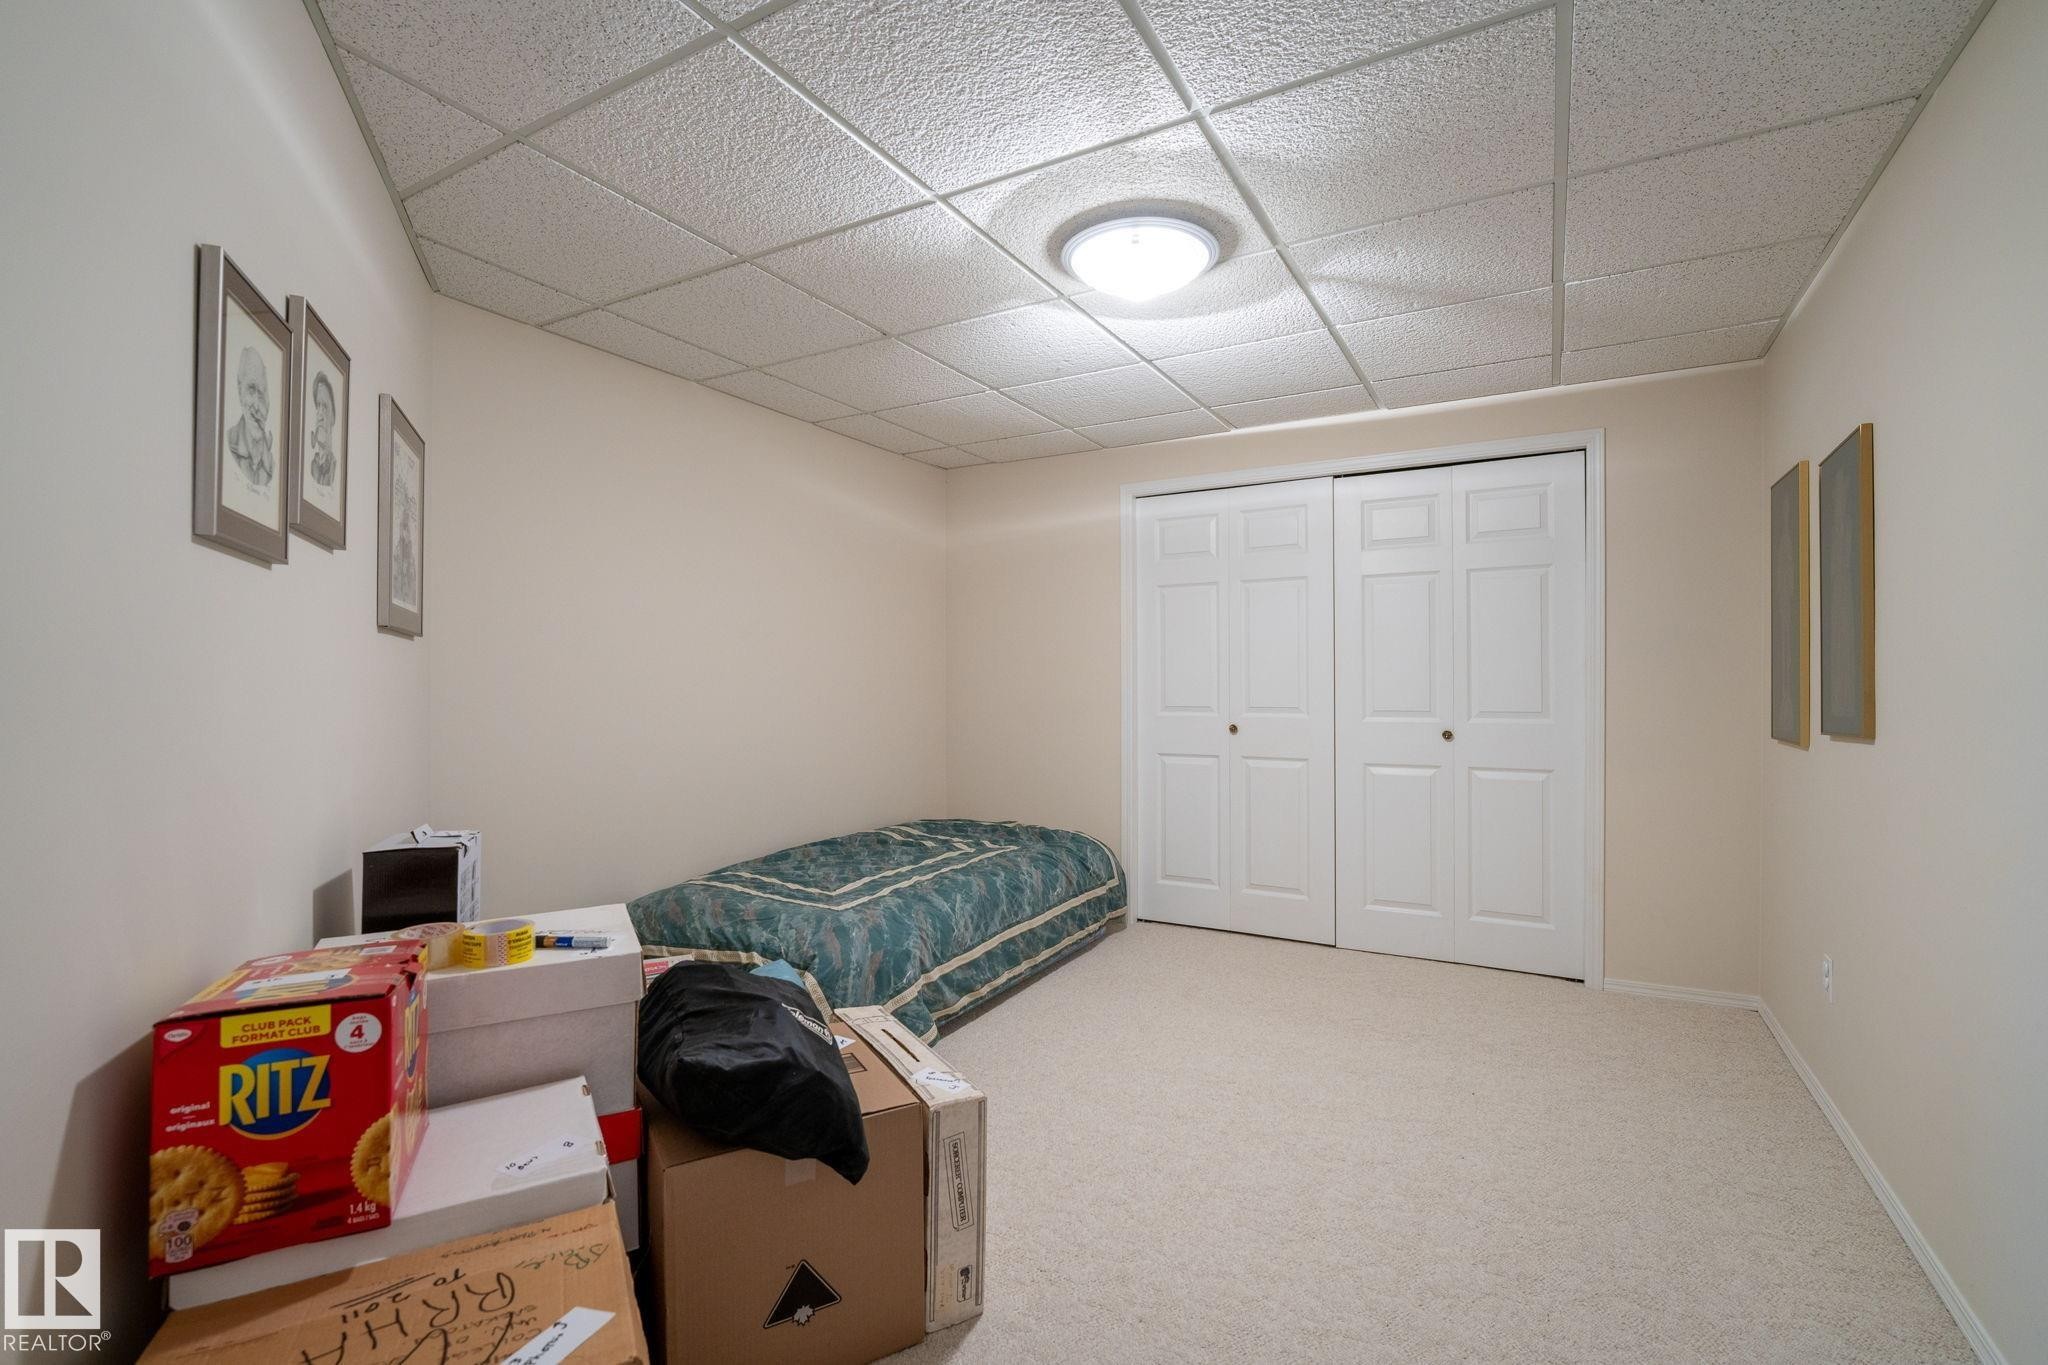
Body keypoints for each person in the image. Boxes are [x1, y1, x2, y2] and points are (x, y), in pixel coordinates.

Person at [226, 345, 274, 491]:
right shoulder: (230, 442)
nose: (257, 406)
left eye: (262, 393)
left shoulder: (272, 463)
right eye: (251, 390)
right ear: (240, 392)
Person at [307, 370, 337, 490]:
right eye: (317, 406)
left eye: (325, 407)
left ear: (333, 417)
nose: (320, 414)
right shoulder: (311, 465)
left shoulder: (334, 468)